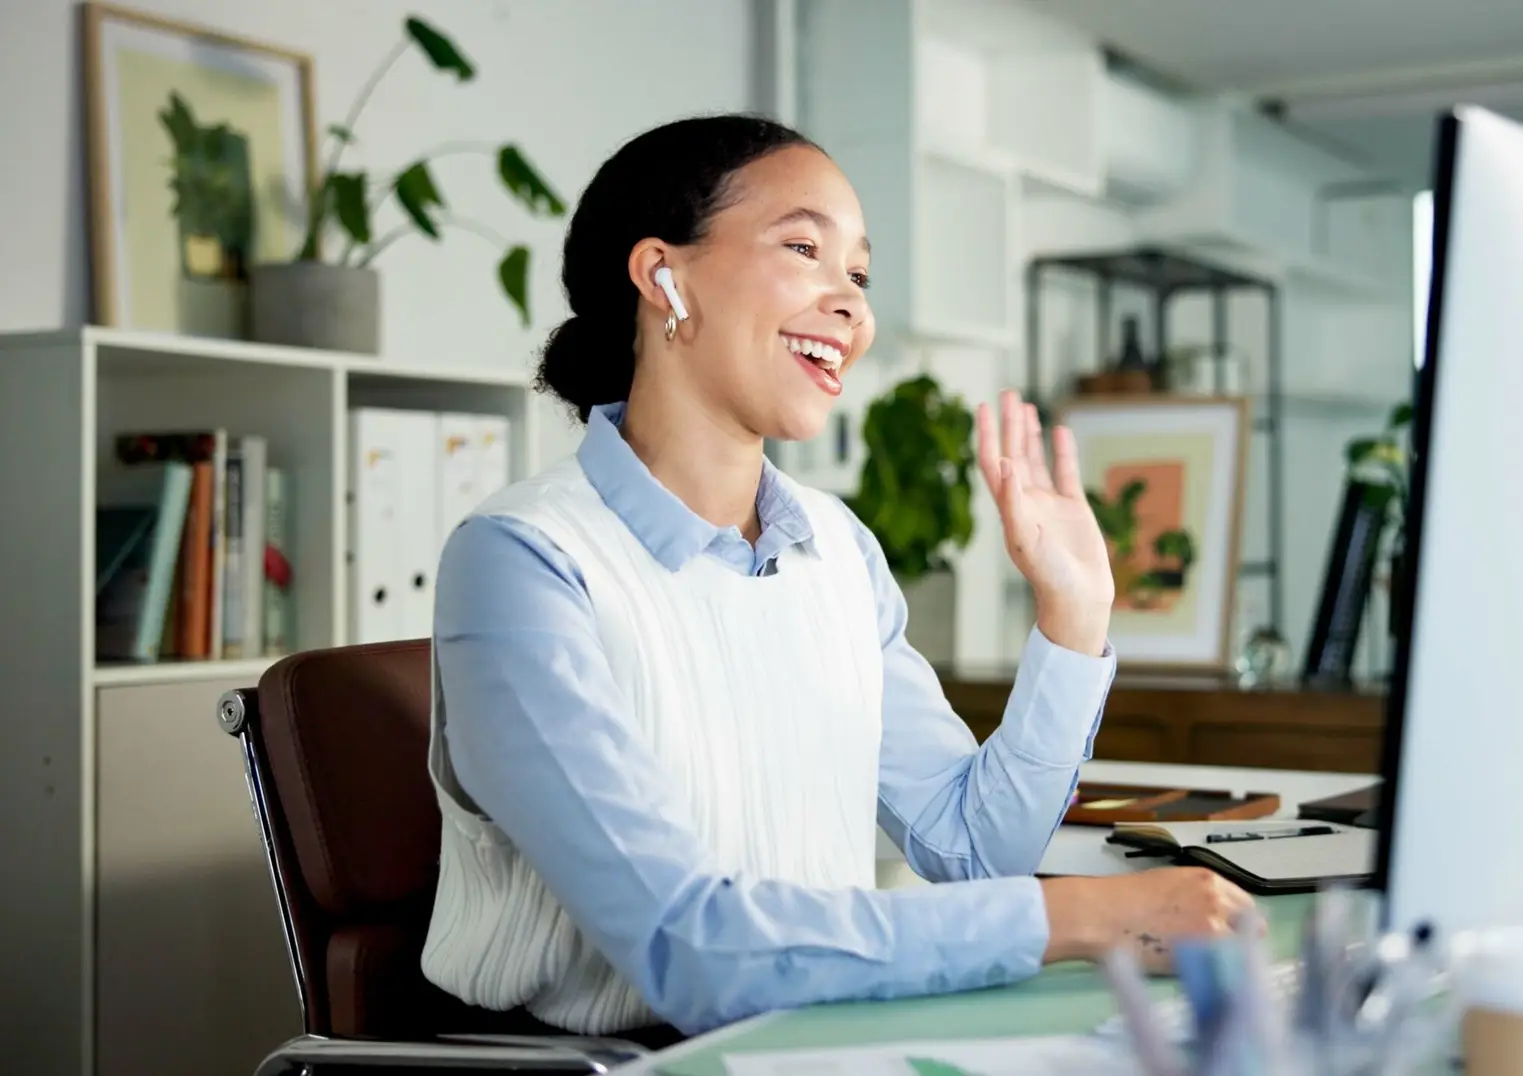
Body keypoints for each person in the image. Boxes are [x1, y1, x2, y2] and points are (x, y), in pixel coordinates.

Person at [421, 113, 1253, 1041]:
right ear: (663, 276)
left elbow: (973, 849)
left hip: (823, 1040)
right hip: (623, 1064)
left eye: (857, 273)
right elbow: (689, 949)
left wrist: (1072, 613)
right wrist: (1089, 917)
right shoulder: (520, 563)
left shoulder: (837, 548)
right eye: (805, 248)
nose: (851, 304)